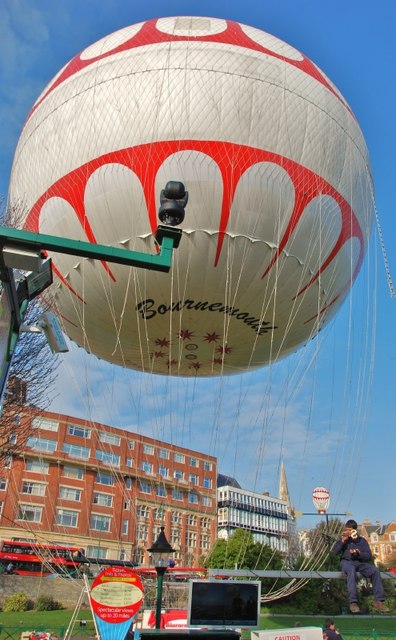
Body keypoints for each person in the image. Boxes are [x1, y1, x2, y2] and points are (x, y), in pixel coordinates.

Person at [332, 519, 390, 614]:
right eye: (347, 530)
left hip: (359, 563)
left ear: (355, 530)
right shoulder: (344, 540)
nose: (348, 532)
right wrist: (342, 541)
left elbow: (368, 556)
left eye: (350, 530)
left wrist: (359, 553)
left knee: (375, 570)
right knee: (351, 570)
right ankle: (353, 602)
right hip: (347, 562)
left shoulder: (362, 541)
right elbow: (334, 552)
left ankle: (379, 601)